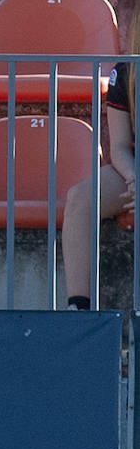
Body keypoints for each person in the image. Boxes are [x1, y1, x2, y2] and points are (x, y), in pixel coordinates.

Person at [63, 59, 136, 309]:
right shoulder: (127, 71)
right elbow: (119, 146)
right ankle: (78, 309)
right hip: (133, 170)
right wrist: (134, 178)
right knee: (81, 198)